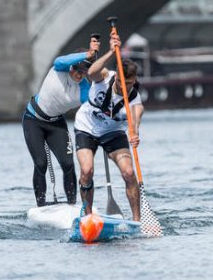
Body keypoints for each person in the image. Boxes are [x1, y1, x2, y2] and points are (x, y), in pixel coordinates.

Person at [22, 33, 119, 207]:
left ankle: (72, 205)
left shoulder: (84, 88)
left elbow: (94, 105)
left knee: (68, 164)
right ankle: (41, 206)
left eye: (83, 72)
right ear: (71, 66)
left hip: (56, 124)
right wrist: (88, 54)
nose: (78, 74)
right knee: (41, 163)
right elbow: (60, 59)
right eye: (76, 69)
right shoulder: (60, 68)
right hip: (33, 120)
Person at [74, 48, 143, 222]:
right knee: (87, 170)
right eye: (120, 82)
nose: (123, 87)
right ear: (116, 76)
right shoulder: (104, 77)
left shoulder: (135, 101)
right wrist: (111, 52)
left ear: (134, 81)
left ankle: (137, 221)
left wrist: (134, 134)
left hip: (113, 132)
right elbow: (91, 71)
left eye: (128, 84)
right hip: (86, 127)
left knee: (128, 172)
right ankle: (88, 217)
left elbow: (134, 124)